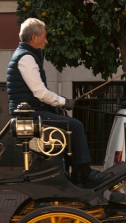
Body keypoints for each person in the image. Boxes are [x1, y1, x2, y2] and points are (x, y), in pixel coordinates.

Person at [6, 18, 109, 188]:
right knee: (76, 126)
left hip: (30, 113)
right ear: (34, 37)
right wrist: (63, 102)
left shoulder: (26, 56)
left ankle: (76, 175)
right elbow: (39, 92)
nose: (46, 41)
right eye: (44, 37)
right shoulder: (26, 58)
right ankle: (85, 173)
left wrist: (58, 106)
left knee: (68, 125)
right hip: (30, 116)